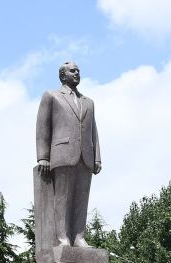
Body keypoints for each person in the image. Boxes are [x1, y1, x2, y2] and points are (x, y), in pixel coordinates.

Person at [35, 61, 101, 247]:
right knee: (62, 199)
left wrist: (97, 157)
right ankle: (62, 238)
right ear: (63, 75)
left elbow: (93, 131)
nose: (77, 73)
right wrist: (43, 156)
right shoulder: (51, 96)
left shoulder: (88, 102)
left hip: (86, 156)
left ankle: (79, 237)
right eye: (73, 71)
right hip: (62, 153)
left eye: (78, 70)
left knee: (82, 199)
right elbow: (42, 127)